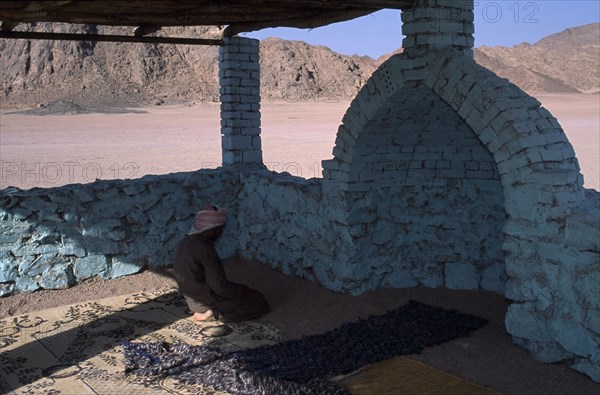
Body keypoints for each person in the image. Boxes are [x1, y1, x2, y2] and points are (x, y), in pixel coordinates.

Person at [173, 204, 270, 323]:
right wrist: (246, 291)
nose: (221, 232)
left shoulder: (186, 241)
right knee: (260, 304)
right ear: (212, 229)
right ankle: (215, 313)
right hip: (205, 301)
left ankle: (206, 310)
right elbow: (221, 288)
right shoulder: (204, 249)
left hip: (191, 299)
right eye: (220, 228)